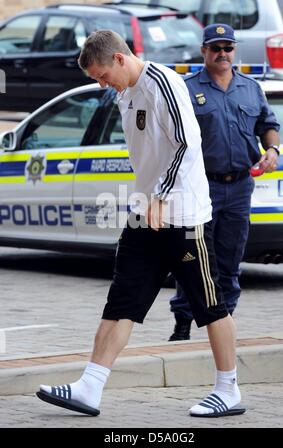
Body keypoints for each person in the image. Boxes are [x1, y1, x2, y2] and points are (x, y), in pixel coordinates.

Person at [36, 29, 245, 418]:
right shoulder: (124, 93)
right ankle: (89, 387)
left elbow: (186, 141)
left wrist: (161, 194)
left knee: (210, 305)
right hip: (145, 212)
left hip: (181, 214)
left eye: (102, 75)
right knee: (122, 300)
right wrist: (148, 198)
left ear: (119, 58)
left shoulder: (162, 83)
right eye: (95, 80)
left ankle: (228, 389)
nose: (101, 84)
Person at [169, 23, 280, 341]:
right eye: (215, 48)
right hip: (200, 186)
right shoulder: (187, 89)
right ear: (203, 51)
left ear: (234, 50)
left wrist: (272, 149)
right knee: (192, 256)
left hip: (239, 187)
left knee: (230, 259)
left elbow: (267, 124)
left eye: (227, 48)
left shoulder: (250, 88)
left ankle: (224, 325)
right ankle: (183, 324)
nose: (222, 53)